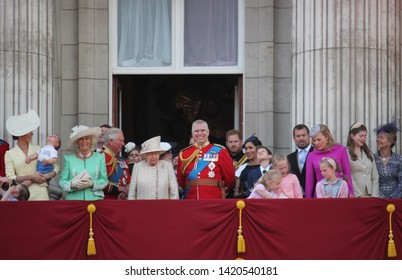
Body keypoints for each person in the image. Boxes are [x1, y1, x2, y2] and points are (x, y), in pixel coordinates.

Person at [4, 109, 59, 200]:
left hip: (40, 191)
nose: (32, 133)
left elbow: (56, 167)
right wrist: (30, 177)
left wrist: (46, 176)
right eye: (30, 131)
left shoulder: (39, 148)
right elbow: (10, 177)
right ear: (21, 134)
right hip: (21, 195)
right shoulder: (9, 154)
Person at [177, 119, 235, 199]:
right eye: (196, 131)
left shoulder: (220, 151)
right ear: (192, 133)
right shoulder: (184, 154)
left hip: (213, 198)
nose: (200, 133)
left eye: (203, 130)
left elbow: (229, 177)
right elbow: (181, 180)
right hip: (191, 198)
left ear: (208, 132)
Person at [59, 125, 108, 200]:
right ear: (77, 142)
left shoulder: (100, 157)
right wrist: (72, 184)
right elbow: (62, 182)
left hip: (95, 200)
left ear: (91, 141)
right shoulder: (69, 159)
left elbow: (104, 181)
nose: (84, 141)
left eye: (87, 139)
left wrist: (92, 184)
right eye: (81, 139)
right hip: (74, 201)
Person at [305, 124, 354, 198]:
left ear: (327, 138)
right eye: (314, 140)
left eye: (319, 140)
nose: (316, 143)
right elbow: (309, 182)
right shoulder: (311, 155)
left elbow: (347, 173)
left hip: (340, 195)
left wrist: (350, 192)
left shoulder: (341, 150)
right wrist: (307, 201)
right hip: (320, 197)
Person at [347, 123, 379, 197]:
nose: (363, 138)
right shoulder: (346, 154)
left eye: (365, 136)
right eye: (361, 136)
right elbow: (348, 176)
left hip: (370, 195)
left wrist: (374, 196)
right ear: (352, 136)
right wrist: (359, 195)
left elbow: (375, 177)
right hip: (355, 196)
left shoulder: (369, 154)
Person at [100, 127, 131, 200]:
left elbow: (129, 181)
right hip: (105, 202)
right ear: (111, 141)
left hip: (121, 202)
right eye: (121, 141)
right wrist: (117, 188)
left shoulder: (123, 161)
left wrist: (125, 191)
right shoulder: (98, 158)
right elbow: (96, 182)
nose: (123, 144)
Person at [374, 121, 402, 198]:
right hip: (378, 198)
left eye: (381, 138)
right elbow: (371, 180)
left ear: (390, 142)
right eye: (378, 137)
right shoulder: (372, 158)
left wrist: (393, 197)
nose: (378, 139)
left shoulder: (399, 159)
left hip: (396, 200)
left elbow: (401, 182)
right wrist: (381, 197)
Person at [287, 124, 313, 195]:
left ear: (309, 136)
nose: (301, 138)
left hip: (314, 197)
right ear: (294, 138)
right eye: (298, 136)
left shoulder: (317, 154)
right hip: (295, 198)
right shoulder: (289, 158)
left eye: (303, 135)